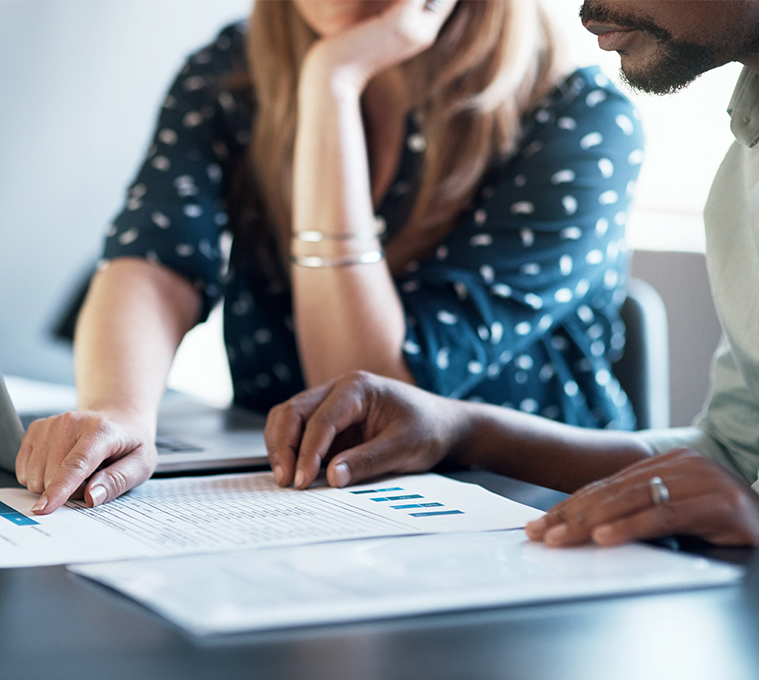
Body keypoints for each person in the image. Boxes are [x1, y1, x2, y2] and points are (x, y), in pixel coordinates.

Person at [18, 0, 642, 514]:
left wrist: (333, 84)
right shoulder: (232, 71)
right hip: (307, 502)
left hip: (524, 511)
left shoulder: (578, 117)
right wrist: (117, 411)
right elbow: (155, 257)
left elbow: (372, 403)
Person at [263, 0, 759, 548]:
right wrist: (458, 429)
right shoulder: (742, 167)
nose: (585, 9)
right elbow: (729, 459)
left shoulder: (576, 114)